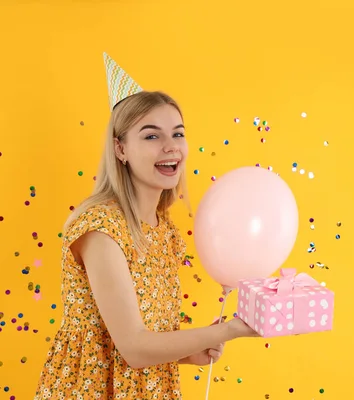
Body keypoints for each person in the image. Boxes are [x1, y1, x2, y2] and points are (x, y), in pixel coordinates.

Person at [33, 53, 258, 400]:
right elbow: (133, 348)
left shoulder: (163, 230)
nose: (171, 147)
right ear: (120, 148)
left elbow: (133, 338)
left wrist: (187, 354)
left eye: (177, 134)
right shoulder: (101, 228)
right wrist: (228, 331)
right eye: (151, 136)